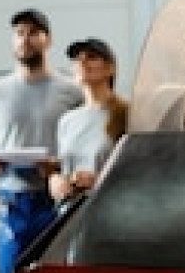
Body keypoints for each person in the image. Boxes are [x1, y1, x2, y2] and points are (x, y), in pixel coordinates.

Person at [0, 8, 83, 273]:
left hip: (59, 200)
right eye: (20, 33)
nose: (26, 39)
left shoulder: (72, 92)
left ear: (47, 40)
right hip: (13, 202)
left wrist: (60, 167)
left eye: (34, 33)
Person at [49, 37, 129, 202]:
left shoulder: (128, 114)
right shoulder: (67, 120)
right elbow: (62, 168)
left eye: (91, 57)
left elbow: (142, 172)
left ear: (110, 68)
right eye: (77, 59)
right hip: (70, 214)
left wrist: (98, 180)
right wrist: (54, 180)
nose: (82, 62)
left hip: (109, 212)